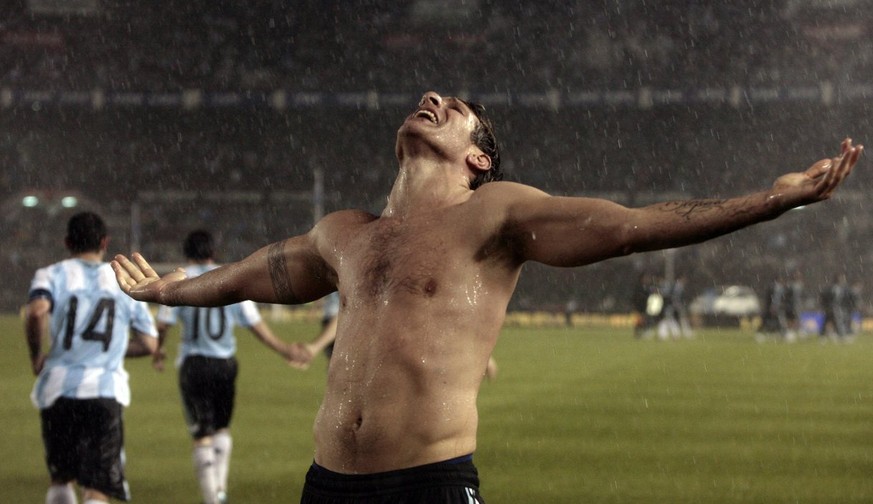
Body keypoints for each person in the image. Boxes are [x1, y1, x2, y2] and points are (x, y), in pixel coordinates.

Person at [111, 91, 862, 503]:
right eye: (429, 96)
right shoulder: (343, 232)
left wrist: (771, 200)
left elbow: (633, 226)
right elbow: (252, 274)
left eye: (455, 105)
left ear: (478, 157)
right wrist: (174, 292)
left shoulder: (496, 212)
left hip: (428, 489)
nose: (430, 97)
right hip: (326, 487)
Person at [152, 230, 311, 504]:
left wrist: (158, 349)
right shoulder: (229, 274)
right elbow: (254, 323)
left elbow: (163, 322)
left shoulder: (180, 278)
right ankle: (220, 491)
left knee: (202, 435)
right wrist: (284, 348)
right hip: (225, 364)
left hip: (194, 363)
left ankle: (212, 498)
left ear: (187, 252)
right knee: (222, 430)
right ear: (213, 251)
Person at [25, 212, 158, 504]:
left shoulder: (50, 274)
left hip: (57, 390)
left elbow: (36, 312)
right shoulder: (122, 281)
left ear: (67, 242)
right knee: (98, 488)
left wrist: (37, 355)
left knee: (60, 478)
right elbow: (150, 343)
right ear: (104, 242)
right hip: (103, 392)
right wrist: (110, 348)